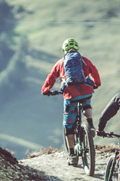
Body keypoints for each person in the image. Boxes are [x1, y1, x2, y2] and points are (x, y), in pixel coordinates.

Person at [42, 38, 101, 166]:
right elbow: (94, 71)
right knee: (87, 103)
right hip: (86, 91)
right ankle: (90, 125)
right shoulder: (84, 60)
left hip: (70, 95)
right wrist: (96, 84)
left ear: (64, 50)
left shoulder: (60, 63)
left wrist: (46, 90)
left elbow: (51, 77)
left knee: (68, 125)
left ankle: (73, 155)